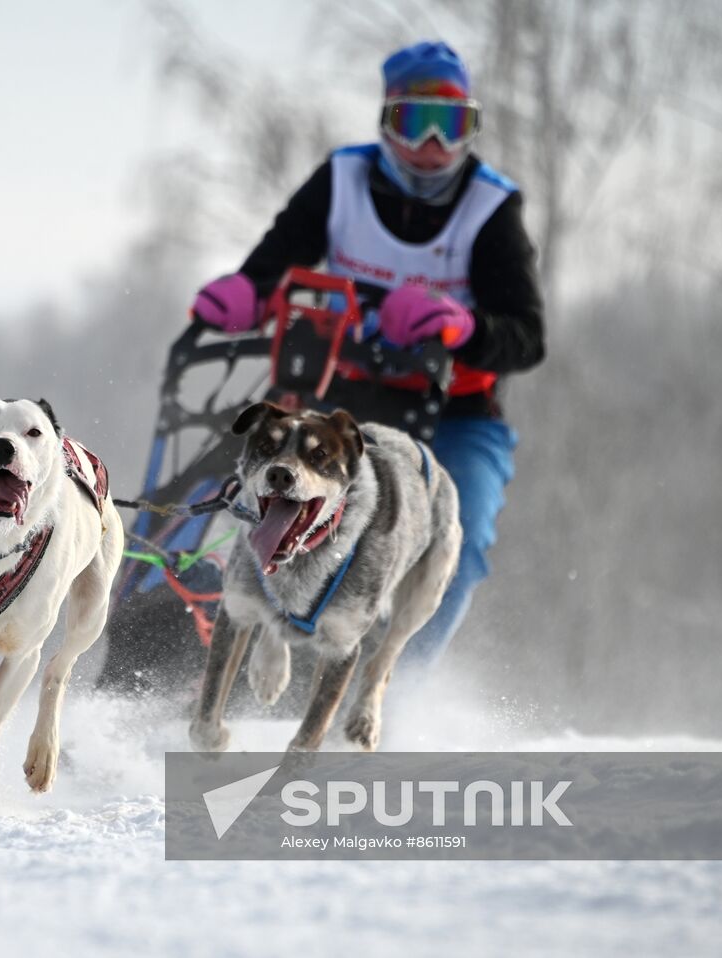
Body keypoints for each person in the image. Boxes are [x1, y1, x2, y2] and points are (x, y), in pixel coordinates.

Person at [190, 40, 545, 671]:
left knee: (457, 544)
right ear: (387, 121)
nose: (434, 142)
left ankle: (391, 688)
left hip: (455, 414)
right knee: (255, 509)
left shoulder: (493, 206)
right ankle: (218, 646)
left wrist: (464, 326)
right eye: (416, 121)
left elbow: (526, 336)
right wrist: (247, 291)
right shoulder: (343, 179)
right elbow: (275, 263)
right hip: (337, 404)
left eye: (454, 123)